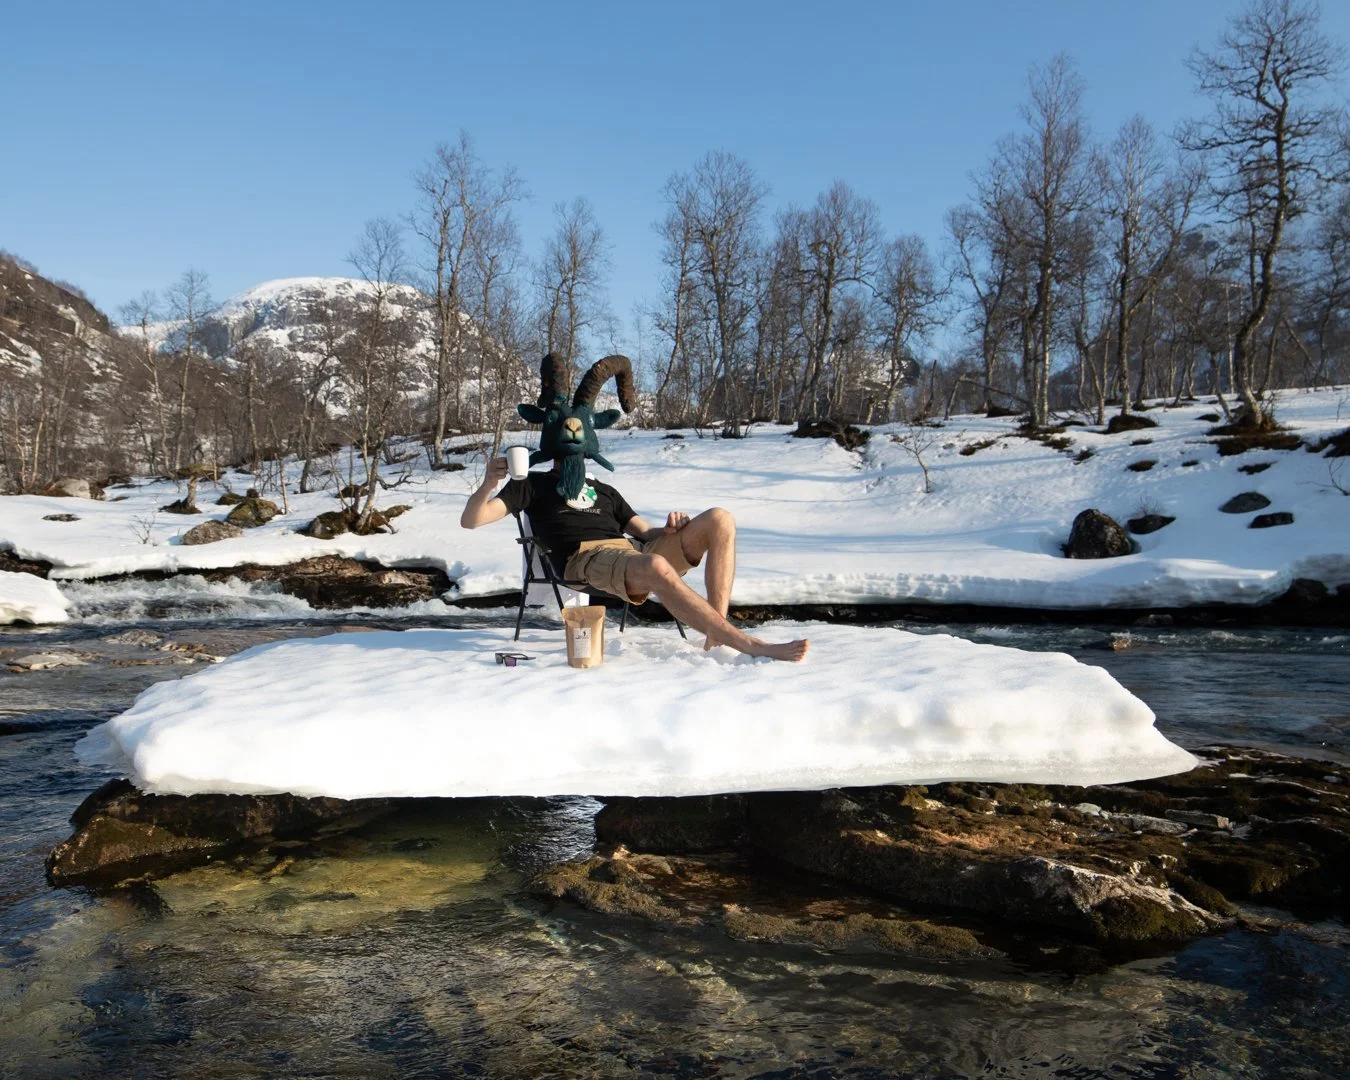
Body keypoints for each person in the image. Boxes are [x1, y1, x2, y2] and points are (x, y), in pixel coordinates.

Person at [460, 457, 809, 662]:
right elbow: (471, 521)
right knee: (654, 566)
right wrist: (490, 481)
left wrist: (673, 528)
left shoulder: (606, 490)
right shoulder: (531, 485)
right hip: (584, 559)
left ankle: (716, 634)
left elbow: (646, 533)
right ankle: (750, 644)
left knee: (720, 518)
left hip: (631, 553)